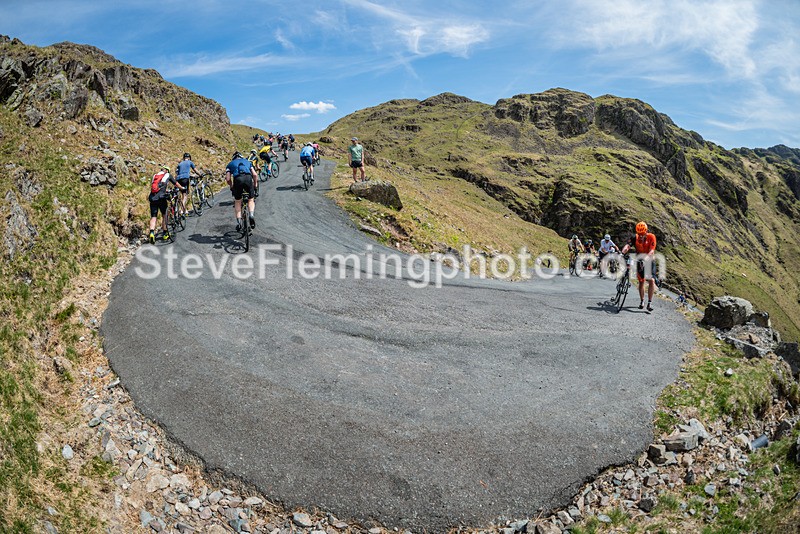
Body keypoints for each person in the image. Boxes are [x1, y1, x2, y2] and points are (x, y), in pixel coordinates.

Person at [622, 221, 657, 311]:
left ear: (646, 231)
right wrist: (623, 252)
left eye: (642, 234)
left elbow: (651, 251)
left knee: (651, 280)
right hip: (639, 260)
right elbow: (628, 246)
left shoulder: (651, 237)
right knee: (641, 281)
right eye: (639, 234)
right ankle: (642, 301)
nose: (641, 236)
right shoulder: (635, 237)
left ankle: (649, 302)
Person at [148, 164, 185, 243]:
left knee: (153, 216)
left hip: (152, 198)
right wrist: (182, 188)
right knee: (164, 215)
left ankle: (151, 233)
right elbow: (176, 183)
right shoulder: (167, 175)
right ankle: (165, 233)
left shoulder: (155, 176)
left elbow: (156, 187)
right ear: (167, 170)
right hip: (161, 198)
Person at [225, 151, 258, 232]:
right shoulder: (247, 162)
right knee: (250, 199)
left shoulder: (230, 164)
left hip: (238, 180)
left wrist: (231, 186)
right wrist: (255, 185)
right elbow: (255, 175)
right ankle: (251, 215)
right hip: (248, 178)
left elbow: (228, 179)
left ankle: (239, 221)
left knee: (238, 201)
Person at [175, 152, 201, 217]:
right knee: (185, 195)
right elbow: (195, 170)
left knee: (182, 194)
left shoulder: (180, 164)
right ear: (189, 158)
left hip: (178, 179)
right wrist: (200, 174)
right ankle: (181, 210)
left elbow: (176, 172)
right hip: (185, 179)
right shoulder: (190, 162)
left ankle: (185, 210)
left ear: (183, 158)